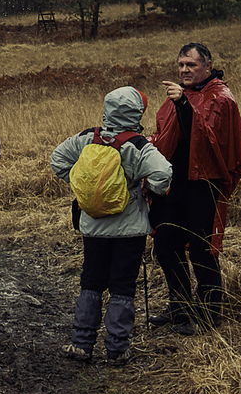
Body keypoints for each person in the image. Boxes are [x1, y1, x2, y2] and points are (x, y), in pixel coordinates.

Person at [50, 86, 172, 365]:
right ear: (137, 113)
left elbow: (57, 160)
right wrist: (145, 188)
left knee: (91, 281)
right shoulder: (138, 144)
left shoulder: (87, 138)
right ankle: (117, 349)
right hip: (129, 230)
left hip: (92, 226)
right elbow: (163, 174)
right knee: (122, 286)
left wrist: (84, 187)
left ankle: (81, 344)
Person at [150, 42, 241, 335]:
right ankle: (180, 307)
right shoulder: (183, 96)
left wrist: (183, 103)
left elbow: (209, 139)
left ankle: (211, 313)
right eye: (181, 65)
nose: (184, 70)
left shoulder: (220, 97)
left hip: (203, 184)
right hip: (175, 183)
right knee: (166, 243)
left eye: (191, 65)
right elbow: (165, 134)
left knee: (201, 248)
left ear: (207, 66)